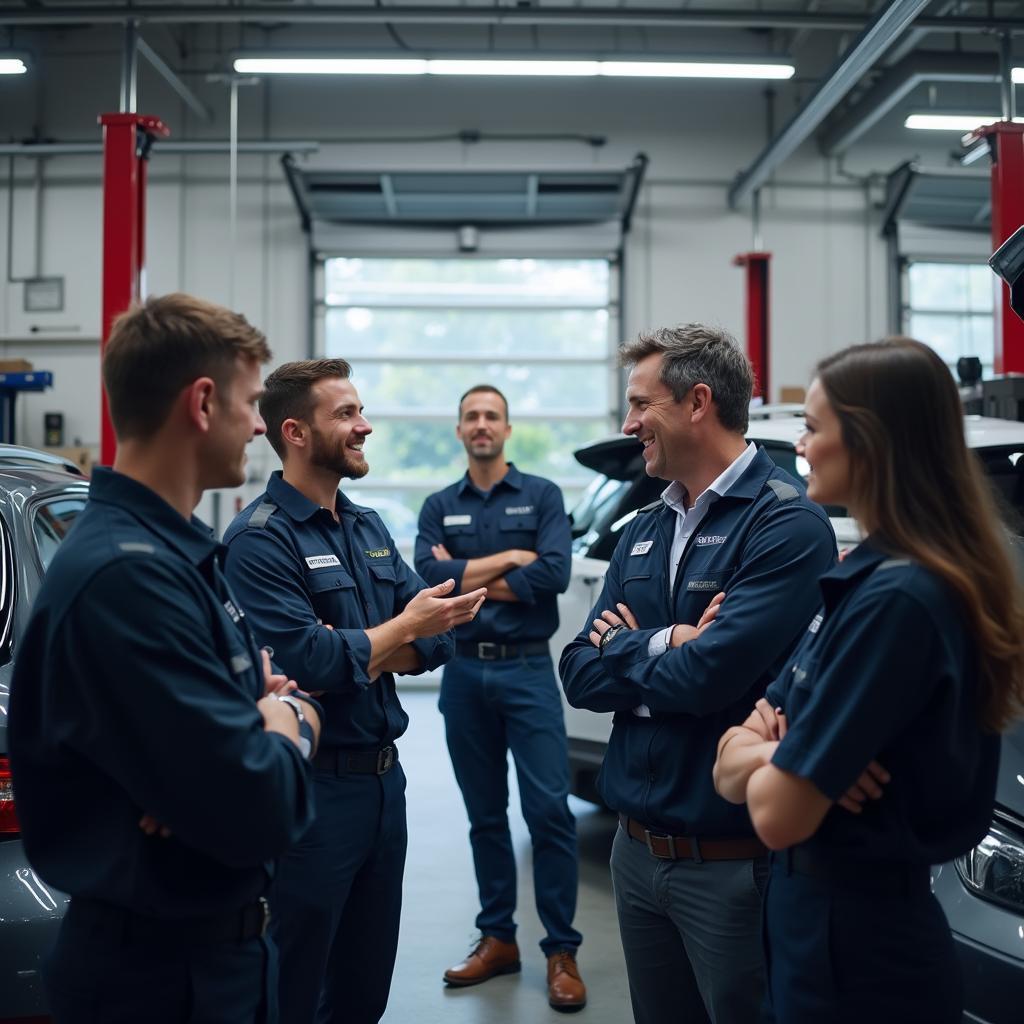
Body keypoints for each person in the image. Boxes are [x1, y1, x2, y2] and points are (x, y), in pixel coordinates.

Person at [8, 293, 322, 1024]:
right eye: (251, 402)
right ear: (204, 402)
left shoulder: (173, 559)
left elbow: (229, 776)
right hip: (159, 979)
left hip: (216, 957)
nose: (259, 425)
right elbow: (258, 808)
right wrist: (288, 720)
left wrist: (244, 741)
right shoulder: (129, 580)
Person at [713, 337, 1024, 1023]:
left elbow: (773, 814)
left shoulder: (900, 601)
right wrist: (782, 754)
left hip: (862, 949)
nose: (799, 444)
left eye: (815, 427)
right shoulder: (868, 583)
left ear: (871, 442)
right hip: (821, 928)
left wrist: (773, 750)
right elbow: (730, 766)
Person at [560, 325, 836, 1024]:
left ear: (697, 403)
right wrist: (675, 639)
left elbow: (707, 681)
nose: (628, 426)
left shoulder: (786, 526)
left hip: (732, 864)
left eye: (640, 405)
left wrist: (630, 646)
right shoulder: (645, 528)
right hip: (635, 851)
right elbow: (578, 674)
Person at [223, 358, 484, 1024]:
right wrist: (397, 632)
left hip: (382, 789)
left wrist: (368, 646)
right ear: (297, 432)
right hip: (312, 797)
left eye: (361, 410)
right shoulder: (258, 541)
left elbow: (438, 642)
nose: (365, 425)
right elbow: (305, 662)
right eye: (346, 414)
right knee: (295, 987)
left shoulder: (366, 527)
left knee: (364, 990)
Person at [414, 384, 586, 1012]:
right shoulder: (438, 504)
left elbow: (555, 575)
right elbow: (425, 581)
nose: (481, 424)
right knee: (484, 816)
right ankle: (497, 939)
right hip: (463, 676)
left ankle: (562, 949)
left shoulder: (542, 495)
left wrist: (464, 570)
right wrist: (513, 557)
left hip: (528, 674)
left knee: (548, 814)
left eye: (491, 416)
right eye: (471, 416)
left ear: (507, 429)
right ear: (459, 430)